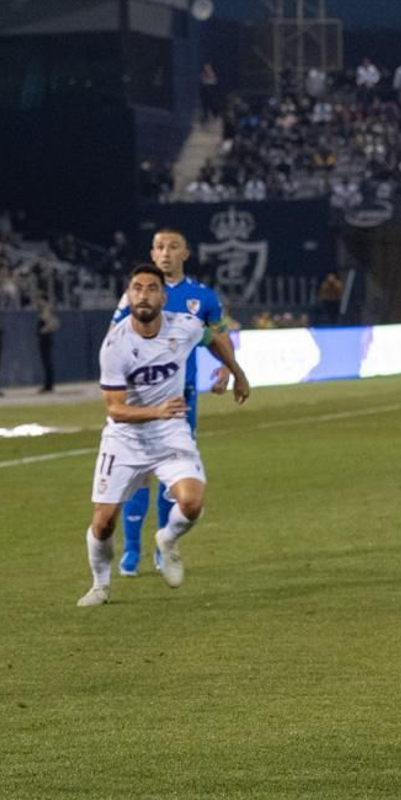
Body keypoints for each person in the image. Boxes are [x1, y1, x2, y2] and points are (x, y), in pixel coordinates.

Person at [78, 264, 250, 607]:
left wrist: (237, 372)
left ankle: (168, 540)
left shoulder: (183, 326)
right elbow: (115, 409)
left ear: (163, 296)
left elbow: (214, 338)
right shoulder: (115, 345)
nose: (143, 294)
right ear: (128, 295)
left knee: (192, 502)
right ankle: (100, 584)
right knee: (103, 522)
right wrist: (156, 411)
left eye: (151, 288)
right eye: (137, 288)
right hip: (125, 439)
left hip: (170, 432)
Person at [114, 228, 228, 577]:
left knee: (170, 474)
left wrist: (226, 368)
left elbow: (219, 336)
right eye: (159, 247)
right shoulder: (135, 296)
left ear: (186, 253)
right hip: (140, 397)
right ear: (152, 253)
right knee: (138, 473)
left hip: (181, 400)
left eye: (172, 246)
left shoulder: (202, 297)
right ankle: (132, 550)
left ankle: (165, 544)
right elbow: (114, 339)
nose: (165, 252)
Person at [36, 297, 60, 393]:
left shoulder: (46, 311)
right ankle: (48, 384)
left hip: (45, 339)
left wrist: (44, 330)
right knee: (46, 362)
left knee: (47, 362)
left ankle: (48, 384)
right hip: (44, 339)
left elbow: (55, 323)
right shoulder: (43, 311)